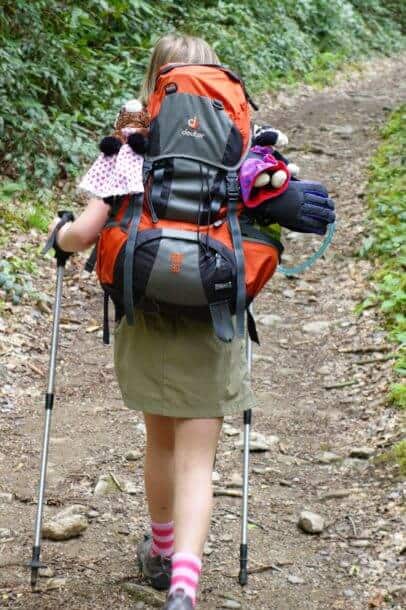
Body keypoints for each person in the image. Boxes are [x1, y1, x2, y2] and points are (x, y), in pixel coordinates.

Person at [49, 34, 255, 610]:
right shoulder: (240, 145)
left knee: (160, 442)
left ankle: (161, 553)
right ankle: (186, 587)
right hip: (214, 314)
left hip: (146, 307)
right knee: (198, 457)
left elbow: (85, 233)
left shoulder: (129, 145)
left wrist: (59, 235)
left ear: (156, 80)